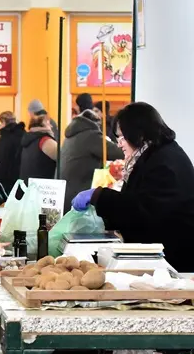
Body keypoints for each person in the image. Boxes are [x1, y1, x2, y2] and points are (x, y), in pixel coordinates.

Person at [73, 102, 194, 272]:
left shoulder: (165, 162)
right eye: (117, 138)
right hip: (162, 258)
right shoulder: (153, 156)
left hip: (175, 263)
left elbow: (142, 211)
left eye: (123, 137)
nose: (120, 144)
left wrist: (99, 196)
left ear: (139, 133)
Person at [60, 106, 123, 207]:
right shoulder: (91, 135)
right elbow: (118, 152)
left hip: (66, 192)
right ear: (95, 123)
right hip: (80, 192)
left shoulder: (70, 136)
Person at [0, 111, 25, 193]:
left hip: (6, 180)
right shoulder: (24, 134)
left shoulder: (4, 138)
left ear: (3, 122)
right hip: (22, 177)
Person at [20, 114, 58, 181]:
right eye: (48, 124)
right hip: (44, 186)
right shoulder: (45, 140)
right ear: (42, 126)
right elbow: (63, 156)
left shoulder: (28, 140)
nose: (51, 126)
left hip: (29, 185)